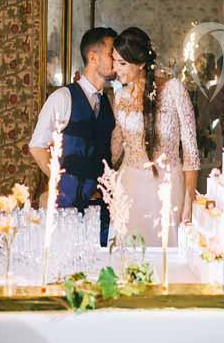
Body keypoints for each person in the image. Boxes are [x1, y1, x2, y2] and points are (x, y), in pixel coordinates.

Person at [111, 27, 199, 246]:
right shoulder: (120, 97)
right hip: (129, 188)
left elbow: (191, 152)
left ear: (140, 63)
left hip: (167, 186)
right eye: (114, 61)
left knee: (168, 257)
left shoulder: (174, 90)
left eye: (122, 63)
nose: (115, 69)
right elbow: (118, 148)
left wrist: (189, 200)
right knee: (129, 255)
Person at [30, 27, 118, 246]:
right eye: (111, 53)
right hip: (67, 207)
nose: (116, 59)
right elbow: (37, 146)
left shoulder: (109, 102)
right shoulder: (62, 97)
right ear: (93, 57)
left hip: (101, 208)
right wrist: (61, 179)